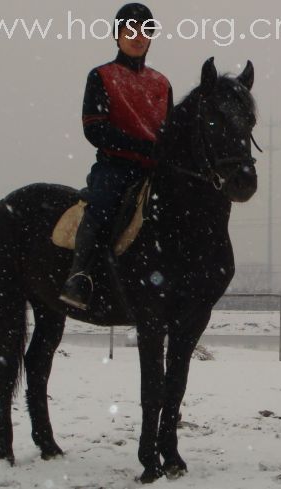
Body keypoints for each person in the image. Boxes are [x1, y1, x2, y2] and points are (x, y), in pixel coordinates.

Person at [60, 3, 173, 310]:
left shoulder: (162, 83)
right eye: (131, 30)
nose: (139, 37)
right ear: (117, 35)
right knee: (102, 207)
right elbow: (95, 129)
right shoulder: (102, 76)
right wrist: (140, 146)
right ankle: (80, 275)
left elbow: (170, 133)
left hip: (154, 171)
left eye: (146, 31)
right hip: (115, 167)